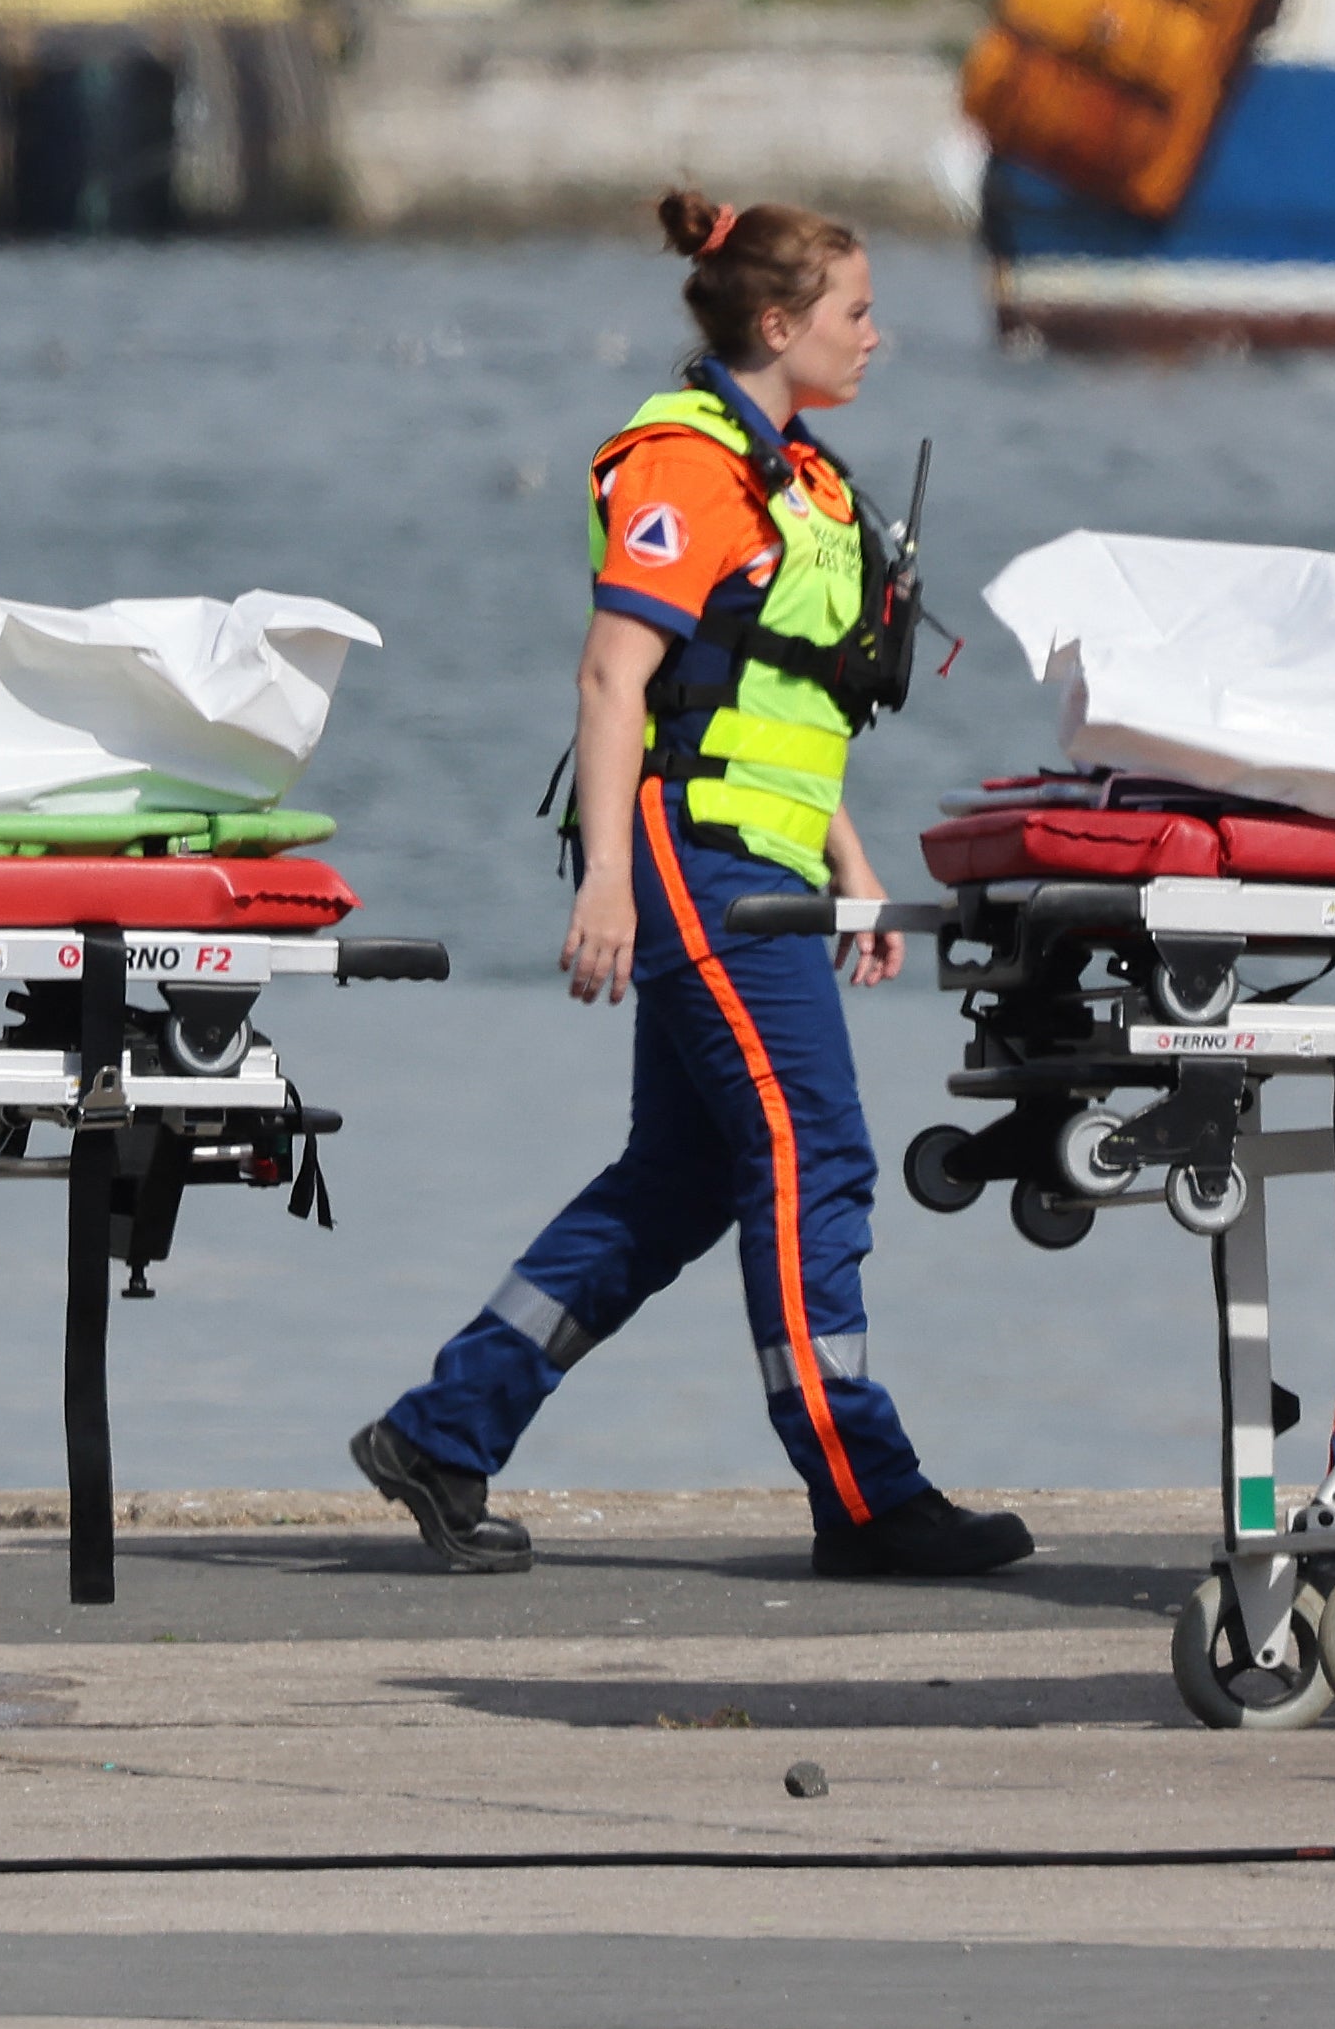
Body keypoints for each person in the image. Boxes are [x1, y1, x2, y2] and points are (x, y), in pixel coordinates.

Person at [351, 191, 1033, 1581]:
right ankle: (861, 1488)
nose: (875, 332)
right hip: (692, 857)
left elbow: (770, 692)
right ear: (777, 325)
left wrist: (848, 860)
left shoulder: (803, 478)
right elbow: (618, 677)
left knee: (680, 1178)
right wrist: (606, 877)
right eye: (854, 310)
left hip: (770, 858)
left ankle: (441, 1432)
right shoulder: (689, 463)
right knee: (813, 1151)